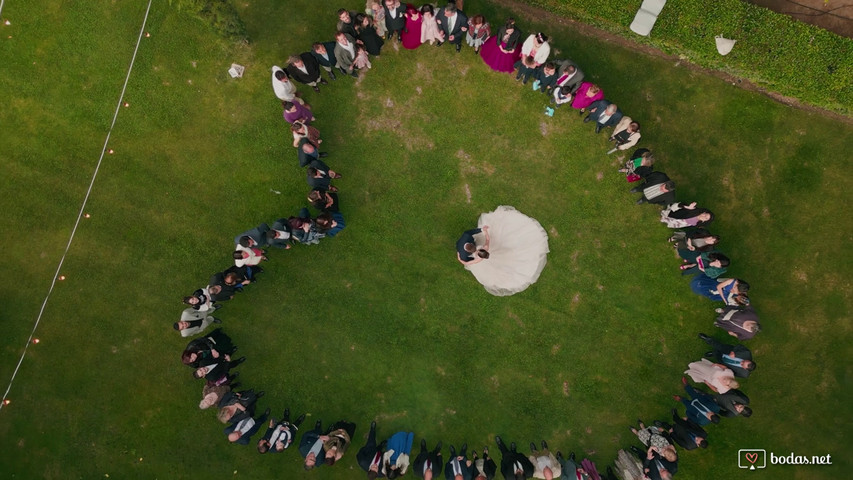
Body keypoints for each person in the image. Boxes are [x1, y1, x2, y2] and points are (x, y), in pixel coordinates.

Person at [465, 206, 550, 297]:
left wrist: (461, 258)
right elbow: (487, 240)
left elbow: (471, 261)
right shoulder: (485, 248)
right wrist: (485, 232)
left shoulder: (479, 257)